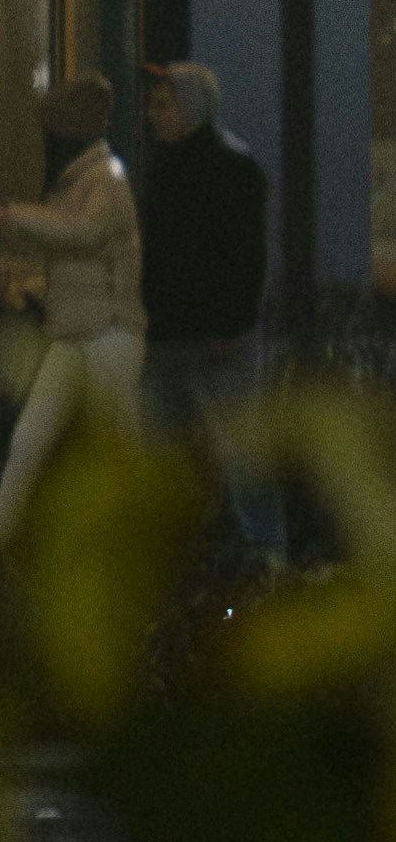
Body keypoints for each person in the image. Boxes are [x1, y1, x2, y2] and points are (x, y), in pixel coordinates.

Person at [0, 71, 145, 578]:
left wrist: (14, 218)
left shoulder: (106, 181)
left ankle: (139, 561)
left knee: (113, 453)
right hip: (79, 336)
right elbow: (73, 251)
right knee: (31, 439)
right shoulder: (81, 182)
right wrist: (31, 284)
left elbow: (86, 233)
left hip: (109, 336)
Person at [138, 55, 283, 557]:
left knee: (239, 464)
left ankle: (264, 563)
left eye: (162, 104)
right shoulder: (174, 167)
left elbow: (246, 257)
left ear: (190, 109)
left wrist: (231, 326)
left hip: (212, 344)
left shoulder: (226, 168)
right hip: (173, 340)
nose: (151, 114)